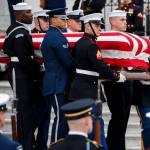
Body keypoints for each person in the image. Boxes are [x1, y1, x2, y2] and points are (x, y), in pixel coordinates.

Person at [68, 13, 126, 150]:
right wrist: (116, 76)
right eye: (96, 25)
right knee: (96, 124)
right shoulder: (91, 46)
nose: (100, 29)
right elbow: (100, 66)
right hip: (87, 90)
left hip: (78, 88)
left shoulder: (79, 43)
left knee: (85, 127)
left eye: (100, 26)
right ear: (87, 26)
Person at [3, 2, 40, 150]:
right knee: (24, 111)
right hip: (20, 74)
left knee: (27, 110)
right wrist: (38, 69)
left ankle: (27, 141)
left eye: (30, 12)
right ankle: (25, 144)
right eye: (27, 12)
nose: (31, 15)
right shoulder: (19, 32)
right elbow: (24, 59)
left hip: (21, 73)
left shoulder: (18, 30)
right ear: (18, 14)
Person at [41, 7, 75, 147]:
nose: (66, 21)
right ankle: (55, 146)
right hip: (56, 84)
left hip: (59, 83)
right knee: (61, 117)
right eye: (63, 19)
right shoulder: (55, 37)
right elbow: (67, 61)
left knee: (64, 118)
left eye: (66, 19)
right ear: (53, 19)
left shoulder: (54, 35)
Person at [102, 10, 133, 150]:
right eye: (121, 20)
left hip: (128, 79)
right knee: (118, 115)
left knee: (124, 115)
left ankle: (119, 146)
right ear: (112, 21)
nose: (125, 22)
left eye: (125, 20)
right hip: (113, 81)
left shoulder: (130, 37)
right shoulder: (105, 38)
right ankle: (113, 145)